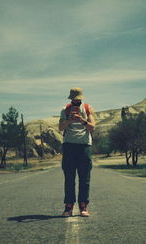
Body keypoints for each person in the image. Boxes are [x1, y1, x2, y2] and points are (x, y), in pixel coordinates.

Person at [59, 87, 96, 217]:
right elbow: (60, 128)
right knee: (69, 178)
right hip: (69, 145)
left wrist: (82, 120)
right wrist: (69, 119)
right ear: (71, 100)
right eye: (74, 101)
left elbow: (93, 127)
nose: (76, 103)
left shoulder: (87, 108)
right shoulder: (65, 109)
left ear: (81, 99)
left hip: (85, 146)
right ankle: (68, 206)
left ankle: (83, 206)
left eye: (78, 101)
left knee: (84, 178)